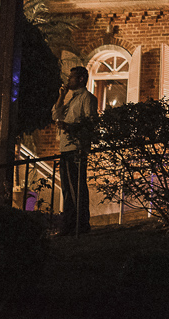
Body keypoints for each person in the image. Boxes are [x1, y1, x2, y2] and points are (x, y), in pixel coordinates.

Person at [52, 65, 97, 235]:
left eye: (72, 77)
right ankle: (70, 224)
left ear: (81, 79)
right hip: (65, 147)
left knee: (76, 188)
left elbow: (90, 123)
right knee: (67, 188)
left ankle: (80, 225)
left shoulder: (87, 98)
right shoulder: (70, 99)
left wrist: (69, 127)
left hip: (76, 148)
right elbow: (55, 115)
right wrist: (61, 96)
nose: (68, 80)